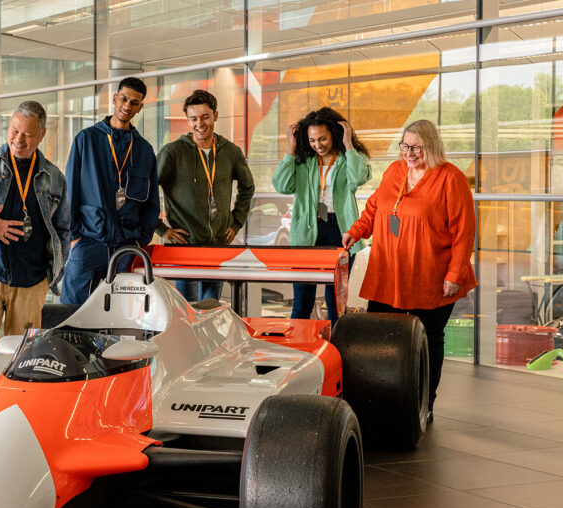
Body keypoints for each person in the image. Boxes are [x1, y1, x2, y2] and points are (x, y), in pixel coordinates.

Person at [343, 119, 477, 419]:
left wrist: (454, 275)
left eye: (416, 147)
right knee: (379, 338)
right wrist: (357, 231)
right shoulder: (394, 171)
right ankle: (382, 402)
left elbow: (464, 231)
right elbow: (375, 208)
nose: (409, 152)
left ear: (431, 146)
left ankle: (423, 404)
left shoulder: (450, 178)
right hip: (388, 273)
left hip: (431, 276)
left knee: (428, 341)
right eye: (405, 146)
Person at [0, 101, 71, 361]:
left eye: (28, 134)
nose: (18, 139)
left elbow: (63, 231)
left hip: (31, 282)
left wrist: (49, 279)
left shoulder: (55, 177)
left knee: (23, 360)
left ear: (42, 135)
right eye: (14, 131)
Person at [60, 76, 160, 306]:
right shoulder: (87, 140)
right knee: (73, 310)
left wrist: (141, 240)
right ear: (115, 99)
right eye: (124, 99)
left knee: (118, 311)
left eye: (134, 103)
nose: (127, 106)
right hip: (88, 241)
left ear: (140, 107)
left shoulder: (144, 150)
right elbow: (71, 190)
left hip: (126, 246)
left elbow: (152, 201)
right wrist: (74, 237)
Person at [273, 107, 371, 324]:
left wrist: (348, 144)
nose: (317, 145)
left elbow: (358, 178)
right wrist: (290, 148)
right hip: (307, 232)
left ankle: (336, 352)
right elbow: (281, 185)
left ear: (334, 135)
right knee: (301, 303)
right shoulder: (302, 160)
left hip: (340, 231)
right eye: (312, 140)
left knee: (336, 303)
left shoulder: (347, 158)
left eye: (322, 138)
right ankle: (300, 352)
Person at [157, 89, 255, 302]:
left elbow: (247, 188)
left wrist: (236, 222)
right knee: (186, 309)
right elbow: (145, 191)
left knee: (211, 307)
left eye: (205, 117)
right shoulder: (172, 152)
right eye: (193, 119)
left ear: (215, 116)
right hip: (184, 245)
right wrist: (162, 230)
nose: (199, 124)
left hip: (218, 244)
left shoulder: (230, 151)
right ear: (187, 120)